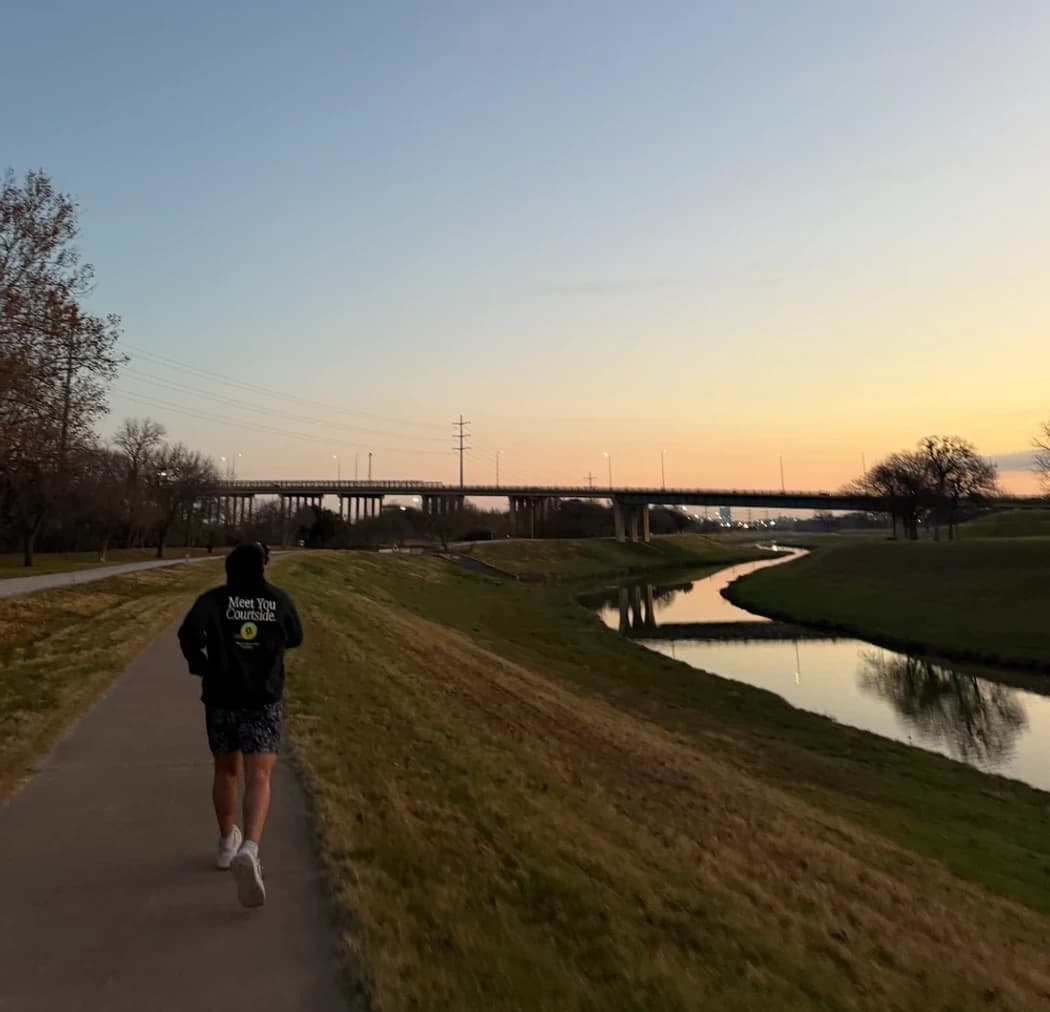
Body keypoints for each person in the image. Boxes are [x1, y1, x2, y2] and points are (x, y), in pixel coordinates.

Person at [177, 542, 303, 908]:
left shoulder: (214, 600)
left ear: (229, 569)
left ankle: (224, 844)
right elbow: (295, 637)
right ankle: (250, 846)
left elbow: (188, 633)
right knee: (260, 775)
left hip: (221, 698)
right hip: (262, 699)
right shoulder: (278, 600)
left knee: (226, 770)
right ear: (262, 568)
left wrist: (198, 663)